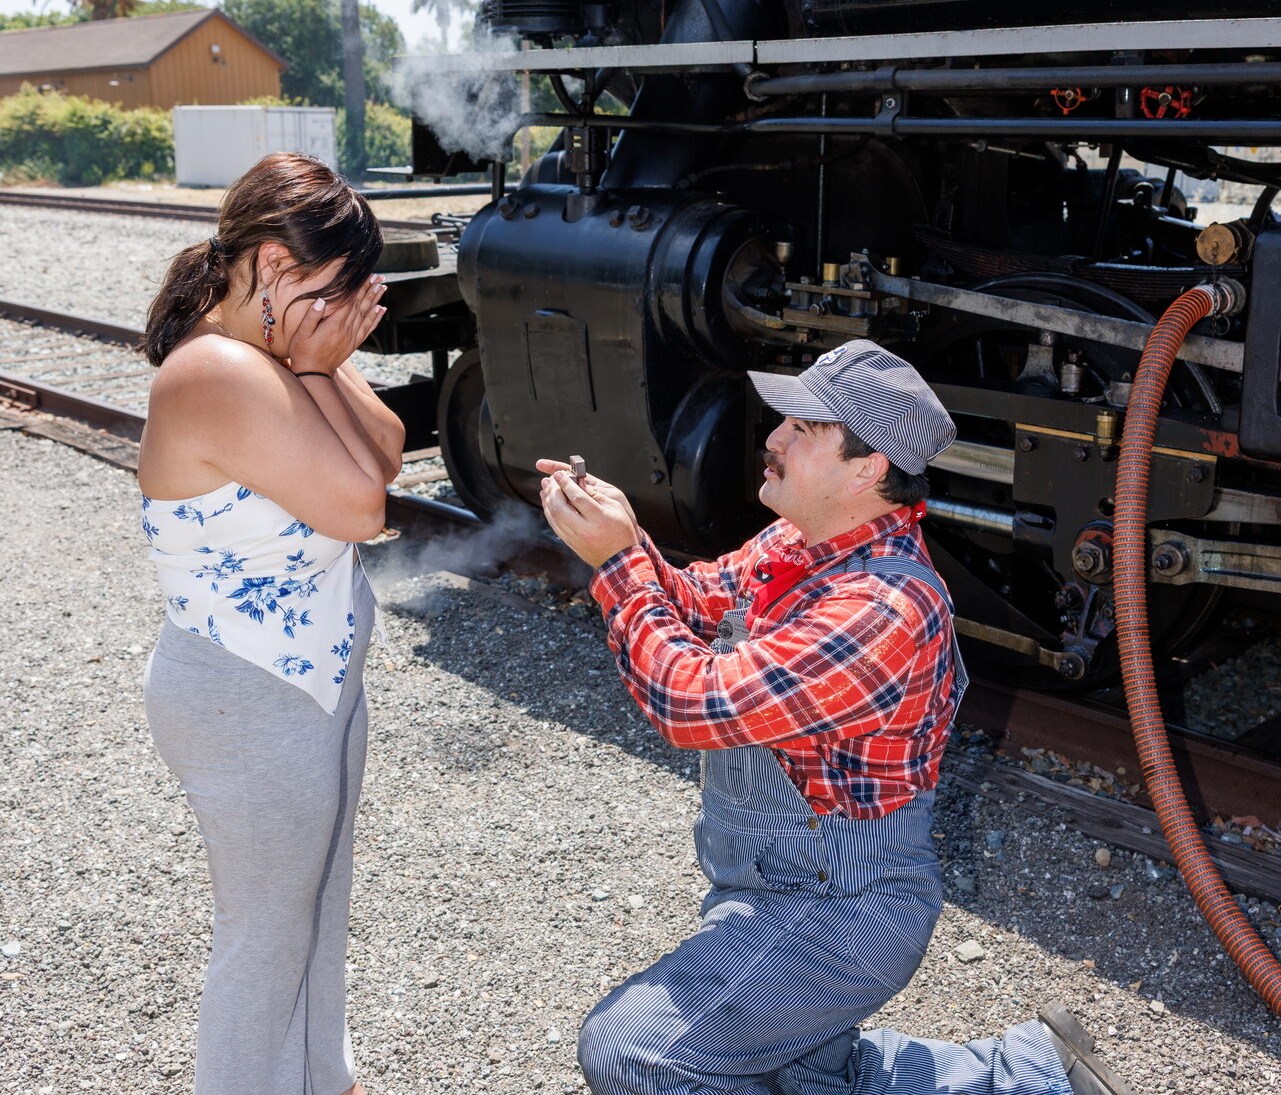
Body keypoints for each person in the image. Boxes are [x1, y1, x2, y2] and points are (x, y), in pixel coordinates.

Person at [539, 340, 1131, 1095]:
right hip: (774, 886)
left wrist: (618, 565)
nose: (773, 439)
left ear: (866, 469)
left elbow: (692, 703)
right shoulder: (801, 543)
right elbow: (694, 604)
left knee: (632, 1052)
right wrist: (621, 533)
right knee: (800, 1075)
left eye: (802, 429)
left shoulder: (881, 606)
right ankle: (1033, 1072)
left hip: (840, 910)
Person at [136, 152, 404, 1095]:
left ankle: (321, 1079)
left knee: (314, 911)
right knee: (263, 939)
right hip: (247, 694)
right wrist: (319, 366)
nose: (340, 311)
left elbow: (387, 450)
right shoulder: (215, 369)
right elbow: (363, 508)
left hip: (312, 685)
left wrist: (321, 363)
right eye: (331, 290)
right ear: (276, 266)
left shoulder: (273, 356)